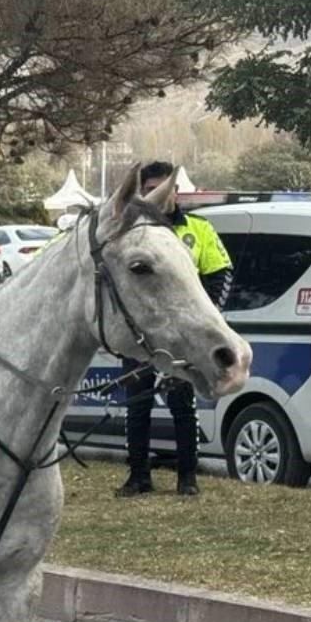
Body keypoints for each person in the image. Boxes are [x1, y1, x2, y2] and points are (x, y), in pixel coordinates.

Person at [116, 160, 232, 499]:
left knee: (183, 404)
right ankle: (138, 476)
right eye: (149, 189)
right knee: (137, 405)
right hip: (141, 337)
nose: (156, 195)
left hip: (183, 339)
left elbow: (221, 276)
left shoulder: (199, 228)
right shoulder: (131, 230)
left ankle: (187, 478)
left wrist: (202, 325)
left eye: (162, 189)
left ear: (175, 191)